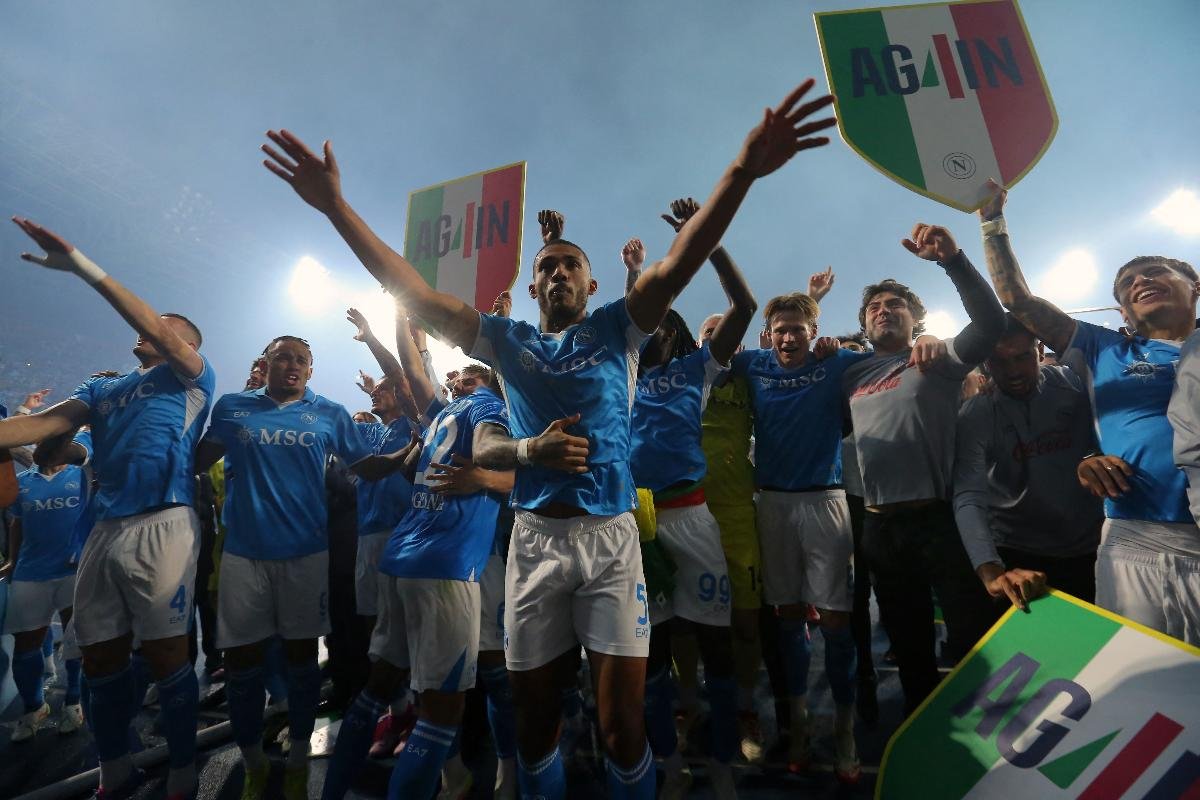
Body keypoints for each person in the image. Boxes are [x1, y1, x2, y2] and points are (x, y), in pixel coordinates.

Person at [261, 78, 835, 799]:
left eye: (570, 265)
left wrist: (742, 170)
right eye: (547, 267)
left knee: (622, 723)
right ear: (533, 289)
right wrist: (337, 208)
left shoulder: (620, 329)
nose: (557, 271)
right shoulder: (504, 340)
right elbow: (410, 289)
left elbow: (685, 256)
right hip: (534, 545)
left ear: (592, 286)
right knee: (536, 726)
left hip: (610, 541)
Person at [2, 217, 215, 800]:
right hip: (102, 533)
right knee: (100, 664)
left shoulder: (191, 378)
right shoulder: (101, 390)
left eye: (163, 327)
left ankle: (180, 775)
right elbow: (40, 427)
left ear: (188, 346)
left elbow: (161, 332)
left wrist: (85, 268)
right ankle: (114, 770)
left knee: (169, 657)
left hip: (163, 523)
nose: (145, 328)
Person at [194, 335, 416, 800]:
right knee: (241, 664)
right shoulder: (233, 407)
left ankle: (296, 760)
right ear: (266, 363)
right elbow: (198, 460)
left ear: (310, 371)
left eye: (301, 360)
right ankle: (254, 761)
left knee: (301, 660)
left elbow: (366, 466)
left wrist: (408, 453)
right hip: (243, 554)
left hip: (306, 554)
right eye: (283, 357)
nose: (292, 365)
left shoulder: (330, 413)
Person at [977, 181, 1199, 644]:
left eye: (1154, 271)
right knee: (1143, 679)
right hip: (1137, 534)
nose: (1140, 281)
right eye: (1128, 284)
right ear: (1122, 311)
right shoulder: (1105, 349)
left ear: (1194, 287)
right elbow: (1018, 301)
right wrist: (991, 222)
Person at [841, 221, 1024, 714]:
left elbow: (990, 324)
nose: (883, 310)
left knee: (971, 640)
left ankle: (995, 749)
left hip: (938, 521)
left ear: (914, 320)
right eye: (874, 307)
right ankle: (932, 746)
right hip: (879, 528)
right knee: (910, 650)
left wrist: (952, 261)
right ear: (863, 325)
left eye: (894, 304)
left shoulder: (936, 357)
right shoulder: (851, 374)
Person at [320, 366, 512, 800]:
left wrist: (405, 320)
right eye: (458, 377)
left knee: (379, 687)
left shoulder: (441, 418)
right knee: (442, 714)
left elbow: (407, 463)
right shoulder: (487, 407)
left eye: (469, 376)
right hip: (448, 565)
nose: (457, 380)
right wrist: (502, 466)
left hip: (402, 557)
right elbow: (497, 459)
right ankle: (469, 774)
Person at [626, 197, 756, 799]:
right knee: (648, 655)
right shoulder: (614, 375)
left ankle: (724, 763)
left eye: (658, 323)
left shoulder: (697, 370)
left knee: (715, 648)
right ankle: (670, 763)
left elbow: (745, 306)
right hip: (635, 527)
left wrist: (701, 240)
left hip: (693, 518)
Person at [730, 286, 875, 781]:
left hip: (825, 500)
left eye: (798, 329)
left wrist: (848, 345)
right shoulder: (751, 364)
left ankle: (845, 729)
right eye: (781, 329)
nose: (788, 337)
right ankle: (799, 725)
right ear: (767, 334)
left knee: (836, 623)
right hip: (769, 503)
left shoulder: (836, 363)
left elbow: (887, 355)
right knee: (788, 619)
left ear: (814, 333)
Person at [954, 315, 1104, 604]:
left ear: (1039, 352)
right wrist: (990, 569)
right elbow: (968, 493)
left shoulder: (1074, 387)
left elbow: (1107, 438)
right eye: (999, 361)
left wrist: (1095, 455)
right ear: (986, 364)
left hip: (1090, 543)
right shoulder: (977, 413)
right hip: (1018, 551)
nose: (1013, 371)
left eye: (1022, 357)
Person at [2, 447, 90, 740]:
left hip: (73, 570)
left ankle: (74, 701)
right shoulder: (23, 482)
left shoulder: (81, 477)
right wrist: (13, 560)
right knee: (26, 644)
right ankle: (34, 708)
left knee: (76, 639)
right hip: (31, 572)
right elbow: (18, 524)